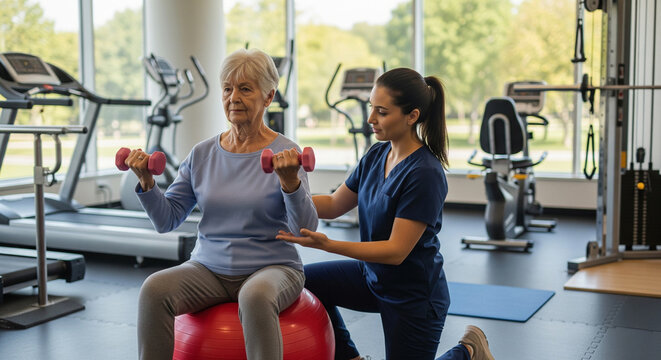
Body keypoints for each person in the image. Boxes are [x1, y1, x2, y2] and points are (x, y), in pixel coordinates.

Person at [276, 68, 495, 360]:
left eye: (381, 112)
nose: (370, 119)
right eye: (371, 108)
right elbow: (333, 203)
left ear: (412, 116)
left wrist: (326, 244)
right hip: (372, 277)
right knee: (304, 281)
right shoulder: (377, 155)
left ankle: (468, 350)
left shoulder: (425, 173)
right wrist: (285, 194)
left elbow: (396, 251)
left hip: (414, 296)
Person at [127, 48, 318, 360]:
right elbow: (167, 220)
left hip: (272, 267)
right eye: (227, 89)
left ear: (268, 97)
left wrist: (289, 182)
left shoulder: (287, 152)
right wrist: (147, 182)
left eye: (245, 89)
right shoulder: (202, 154)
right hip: (208, 268)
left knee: (255, 296)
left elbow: (305, 228)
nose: (234, 98)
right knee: (154, 289)